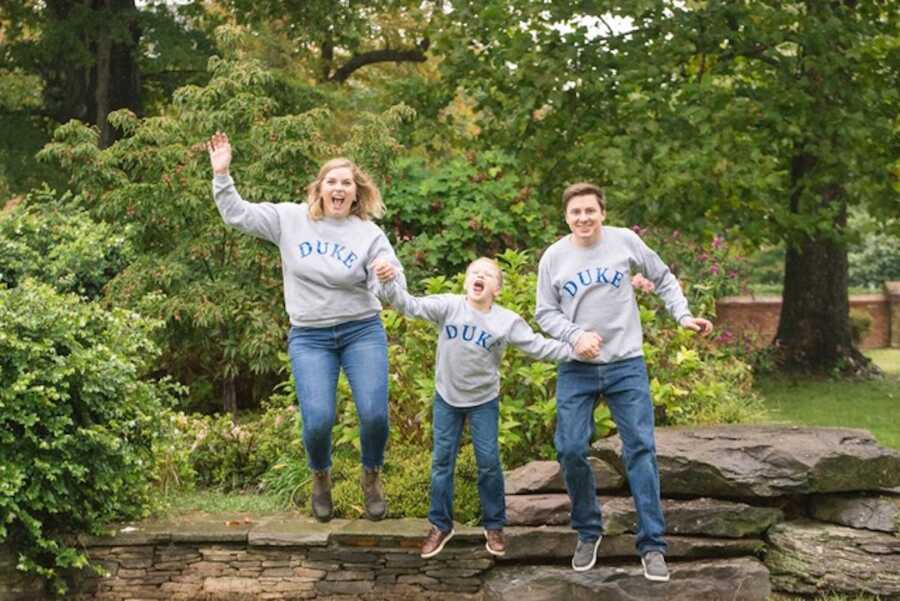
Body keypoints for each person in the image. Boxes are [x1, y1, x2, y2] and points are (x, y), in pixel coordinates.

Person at [207, 131, 405, 522]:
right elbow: (237, 214)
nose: (339, 188)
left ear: (355, 193)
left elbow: (393, 290)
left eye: (346, 183)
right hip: (310, 336)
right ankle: (321, 476)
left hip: (360, 330)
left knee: (374, 414)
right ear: (319, 188)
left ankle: (371, 475)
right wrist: (222, 173)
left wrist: (385, 275)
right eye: (331, 181)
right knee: (317, 420)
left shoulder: (369, 235)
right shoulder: (289, 219)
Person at [535, 182, 713, 581]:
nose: (583, 218)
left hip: (626, 364)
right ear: (566, 217)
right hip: (577, 366)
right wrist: (574, 336)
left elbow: (664, 277)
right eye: (575, 212)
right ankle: (588, 530)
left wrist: (682, 315)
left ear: (603, 213)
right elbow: (545, 312)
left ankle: (652, 546)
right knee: (569, 447)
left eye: (590, 211)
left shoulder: (625, 242)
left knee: (641, 449)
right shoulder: (554, 257)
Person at [373, 256, 595, 559]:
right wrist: (389, 281)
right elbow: (409, 305)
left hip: (483, 402)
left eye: (488, 275)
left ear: (497, 289)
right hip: (446, 398)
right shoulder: (449, 306)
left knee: (489, 463)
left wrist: (576, 350)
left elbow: (538, 345)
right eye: (474, 272)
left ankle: (494, 525)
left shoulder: (506, 321)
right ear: (466, 281)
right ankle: (440, 524)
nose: (479, 277)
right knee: (441, 463)